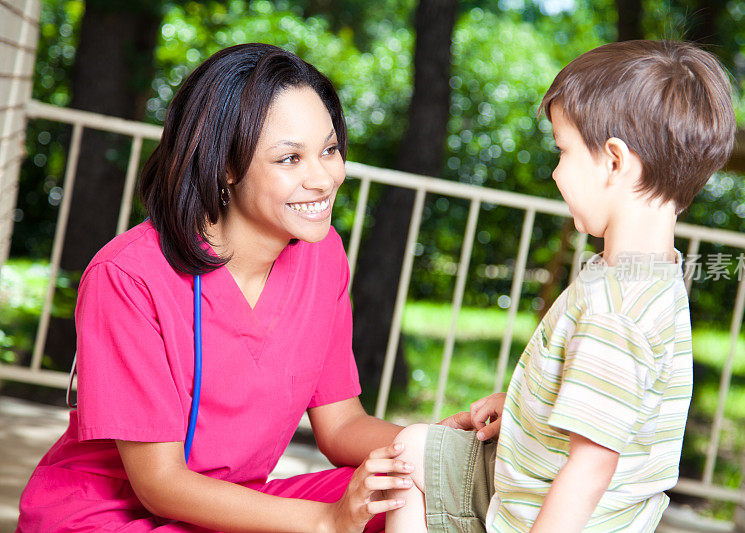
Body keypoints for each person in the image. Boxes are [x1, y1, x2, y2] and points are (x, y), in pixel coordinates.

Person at [17, 42, 460, 533]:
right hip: (107, 520)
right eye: (290, 158)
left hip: (231, 506)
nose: (323, 178)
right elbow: (159, 484)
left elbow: (342, 428)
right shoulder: (128, 276)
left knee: (412, 484)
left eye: (329, 149)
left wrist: (443, 447)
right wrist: (324, 521)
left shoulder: (323, 253)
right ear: (226, 164)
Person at [384, 39, 736, 533]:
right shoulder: (648, 276)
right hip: (535, 477)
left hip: (535, 512)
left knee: (402, 460)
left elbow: (591, 466)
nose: (555, 171)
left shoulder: (615, 311)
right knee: (416, 446)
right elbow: (612, 400)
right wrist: (527, 404)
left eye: (563, 150)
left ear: (615, 161)